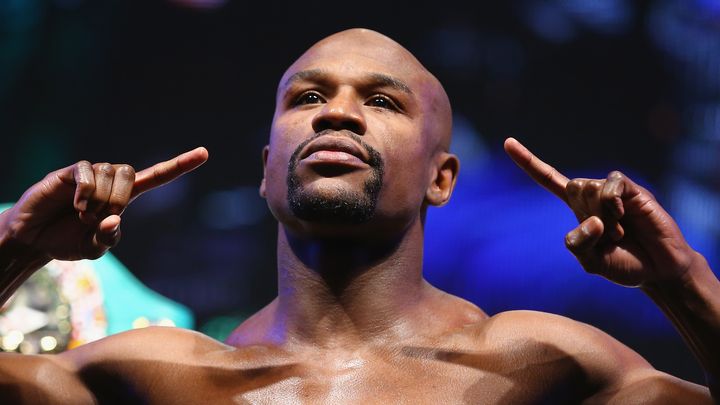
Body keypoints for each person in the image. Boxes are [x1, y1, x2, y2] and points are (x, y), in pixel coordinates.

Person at [0, 27, 718, 404]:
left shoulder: (538, 365)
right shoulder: (155, 375)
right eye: (307, 98)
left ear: (442, 180)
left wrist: (681, 278)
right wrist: (18, 245)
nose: (336, 113)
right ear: (264, 169)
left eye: (382, 101)